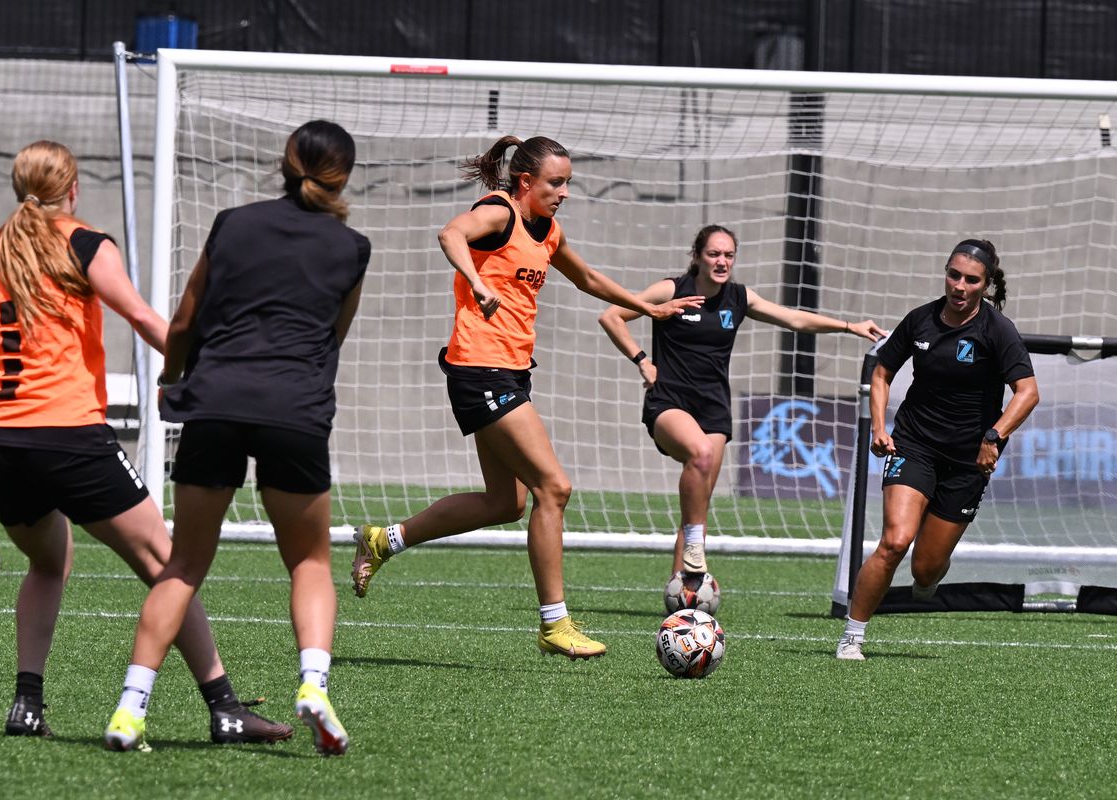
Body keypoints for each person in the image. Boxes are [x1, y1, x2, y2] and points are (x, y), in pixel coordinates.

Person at [0, 140, 290, 744]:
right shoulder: (84, 242)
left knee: (48, 561)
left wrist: (5, 374)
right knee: (167, 565)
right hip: (68, 433)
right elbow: (148, 321)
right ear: (73, 189)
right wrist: (194, 377)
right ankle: (225, 707)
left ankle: (27, 705)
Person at [350, 134, 704, 660]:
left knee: (506, 502)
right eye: (555, 183)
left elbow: (586, 278)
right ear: (525, 183)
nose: (563, 192)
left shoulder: (549, 229)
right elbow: (450, 235)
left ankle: (385, 540)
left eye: (567, 183)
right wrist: (477, 281)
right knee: (553, 488)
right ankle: (554, 624)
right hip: (478, 367)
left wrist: (646, 308)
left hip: (512, 372)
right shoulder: (497, 213)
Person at [104, 120, 368, 755]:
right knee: (307, 561)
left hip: (216, 400)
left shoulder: (231, 223)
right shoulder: (352, 247)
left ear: (284, 163)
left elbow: (186, 319)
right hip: (295, 409)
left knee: (184, 564)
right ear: (344, 177)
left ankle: (129, 709)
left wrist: (171, 379)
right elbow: (334, 335)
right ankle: (313, 685)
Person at [599, 225, 885, 582]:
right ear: (697, 256)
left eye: (728, 255)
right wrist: (643, 360)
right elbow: (611, 316)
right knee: (700, 454)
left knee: (697, 510)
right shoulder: (671, 289)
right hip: (668, 401)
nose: (722, 262)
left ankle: (682, 594)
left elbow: (793, 318)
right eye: (714, 254)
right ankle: (693, 556)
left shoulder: (738, 297)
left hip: (714, 409)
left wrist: (848, 326)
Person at [835, 239, 1039, 660]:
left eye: (971, 280)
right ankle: (852, 635)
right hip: (915, 443)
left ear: (985, 285)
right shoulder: (921, 320)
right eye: (953, 275)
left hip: (968, 460)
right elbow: (881, 371)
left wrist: (993, 438)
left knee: (925, 568)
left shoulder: (997, 330)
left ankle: (928, 577)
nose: (959, 286)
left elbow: (1028, 392)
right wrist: (878, 426)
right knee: (895, 541)